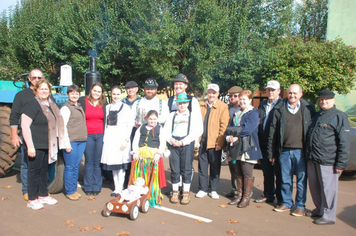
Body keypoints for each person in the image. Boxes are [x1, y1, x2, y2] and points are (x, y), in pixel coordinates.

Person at [267, 84, 315, 216]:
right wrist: (271, 152)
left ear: (301, 94)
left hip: (301, 151)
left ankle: (300, 206)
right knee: (285, 179)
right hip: (284, 151)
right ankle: (287, 203)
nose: (292, 95)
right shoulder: (279, 108)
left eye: (295, 93)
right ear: (286, 94)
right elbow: (272, 132)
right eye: (290, 93)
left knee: (301, 180)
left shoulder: (308, 108)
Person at [21, 79, 68, 210]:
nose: (44, 91)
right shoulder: (32, 104)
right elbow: (25, 126)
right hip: (35, 144)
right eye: (41, 89)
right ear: (36, 90)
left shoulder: (51, 105)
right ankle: (32, 198)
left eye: (46, 89)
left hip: (48, 143)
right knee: (33, 171)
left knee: (43, 170)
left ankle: (42, 194)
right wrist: (30, 146)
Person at [305, 90, 350, 225]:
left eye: (327, 99)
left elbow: (344, 142)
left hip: (328, 159)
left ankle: (329, 215)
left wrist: (341, 163)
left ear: (333, 100)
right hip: (313, 158)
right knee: (315, 187)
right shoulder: (318, 115)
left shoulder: (339, 116)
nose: (323, 101)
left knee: (328, 189)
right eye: (322, 99)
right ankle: (319, 209)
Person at [10, 68, 44, 201]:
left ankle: (41, 189)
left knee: (41, 163)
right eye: (34, 77)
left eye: (39, 78)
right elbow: (14, 116)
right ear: (29, 79)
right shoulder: (21, 95)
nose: (36, 80)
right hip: (27, 134)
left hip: (42, 135)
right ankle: (27, 189)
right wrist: (14, 135)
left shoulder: (45, 94)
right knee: (27, 163)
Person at [226, 90, 262, 208]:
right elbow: (230, 127)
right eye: (240, 99)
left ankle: (246, 198)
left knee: (247, 173)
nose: (242, 101)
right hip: (236, 147)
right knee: (238, 172)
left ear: (250, 100)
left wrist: (235, 134)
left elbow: (248, 129)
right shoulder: (237, 113)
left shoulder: (253, 113)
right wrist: (230, 136)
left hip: (248, 148)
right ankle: (239, 196)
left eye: (244, 99)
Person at [164, 93, 203, 205]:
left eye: (184, 103)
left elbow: (197, 131)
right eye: (180, 103)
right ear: (176, 104)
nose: (182, 105)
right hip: (173, 143)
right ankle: (175, 191)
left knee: (186, 169)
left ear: (188, 103)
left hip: (186, 144)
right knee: (175, 169)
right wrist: (171, 140)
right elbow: (166, 130)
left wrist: (183, 142)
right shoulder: (172, 116)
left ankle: (186, 192)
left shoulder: (192, 116)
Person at [196, 84, 229, 200]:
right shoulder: (200, 104)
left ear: (218, 94)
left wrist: (220, 142)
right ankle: (203, 188)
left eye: (214, 93)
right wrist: (197, 139)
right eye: (210, 92)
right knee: (202, 166)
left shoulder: (223, 106)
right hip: (202, 141)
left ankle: (213, 189)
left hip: (214, 142)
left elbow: (223, 126)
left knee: (215, 167)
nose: (211, 95)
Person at [101, 86, 132, 197]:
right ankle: (116, 187)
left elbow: (129, 125)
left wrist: (126, 140)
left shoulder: (126, 108)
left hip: (121, 138)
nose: (115, 96)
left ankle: (120, 187)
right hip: (110, 139)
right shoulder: (107, 107)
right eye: (114, 94)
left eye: (118, 94)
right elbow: (105, 125)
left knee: (121, 165)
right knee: (113, 165)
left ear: (121, 94)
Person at [255, 80, 283, 205]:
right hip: (264, 143)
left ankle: (282, 199)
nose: (270, 92)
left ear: (279, 91)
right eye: (269, 90)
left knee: (280, 173)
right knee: (267, 172)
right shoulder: (263, 104)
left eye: (273, 90)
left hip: (277, 144)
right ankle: (268, 195)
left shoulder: (283, 105)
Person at [132, 110, 167, 206]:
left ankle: (152, 196)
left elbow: (163, 142)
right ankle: (139, 195)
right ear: (147, 118)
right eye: (150, 119)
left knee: (152, 176)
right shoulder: (141, 128)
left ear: (157, 119)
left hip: (153, 156)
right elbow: (136, 140)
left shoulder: (160, 128)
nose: (152, 121)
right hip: (141, 156)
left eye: (154, 119)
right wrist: (135, 152)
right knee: (140, 176)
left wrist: (158, 153)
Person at [78, 82, 107, 196]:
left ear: (101, 94)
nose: (96, 93)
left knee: (97, 161)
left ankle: (96, 186)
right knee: (89, 161)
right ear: (90, 90)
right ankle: (88, 186)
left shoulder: (103, 103)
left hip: (100, 135)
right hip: (88, 135)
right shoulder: (82, 101)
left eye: (99, 91)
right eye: (95, 90)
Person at [61, 84, 87, 201]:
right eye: (72, 93)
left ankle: (74, 188)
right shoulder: (66, 108)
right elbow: (63, 127)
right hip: (71, 141)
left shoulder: (79, 106)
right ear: (68, 94)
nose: (75, 95)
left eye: (76, 93)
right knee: (70, 167)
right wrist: (66, 143)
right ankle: (70, 191)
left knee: (76, 166)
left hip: (81, 141)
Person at [225, 86, 243, 199]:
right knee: (233, 166)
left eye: (235, 96)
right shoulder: (227, 108)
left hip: (241, 141)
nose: (232, 98)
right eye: (230, 96)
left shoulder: (244, 108)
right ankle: (234, 189)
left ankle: (243, 191)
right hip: (229, 141)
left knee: (242, 168)